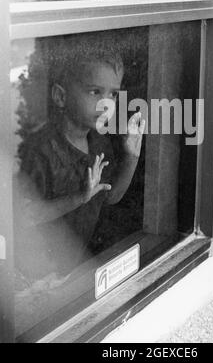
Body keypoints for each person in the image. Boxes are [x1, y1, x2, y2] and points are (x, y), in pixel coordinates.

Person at [14, 32, 145, 283]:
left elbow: (110, 196)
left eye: (113, 95)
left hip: (72, 270)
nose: (106, 104)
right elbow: (26, 217)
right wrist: (78, 198)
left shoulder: (98, 142)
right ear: (61, 96)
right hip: (32, 279)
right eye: (95, 92)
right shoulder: (40, 151)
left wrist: (131, 157)